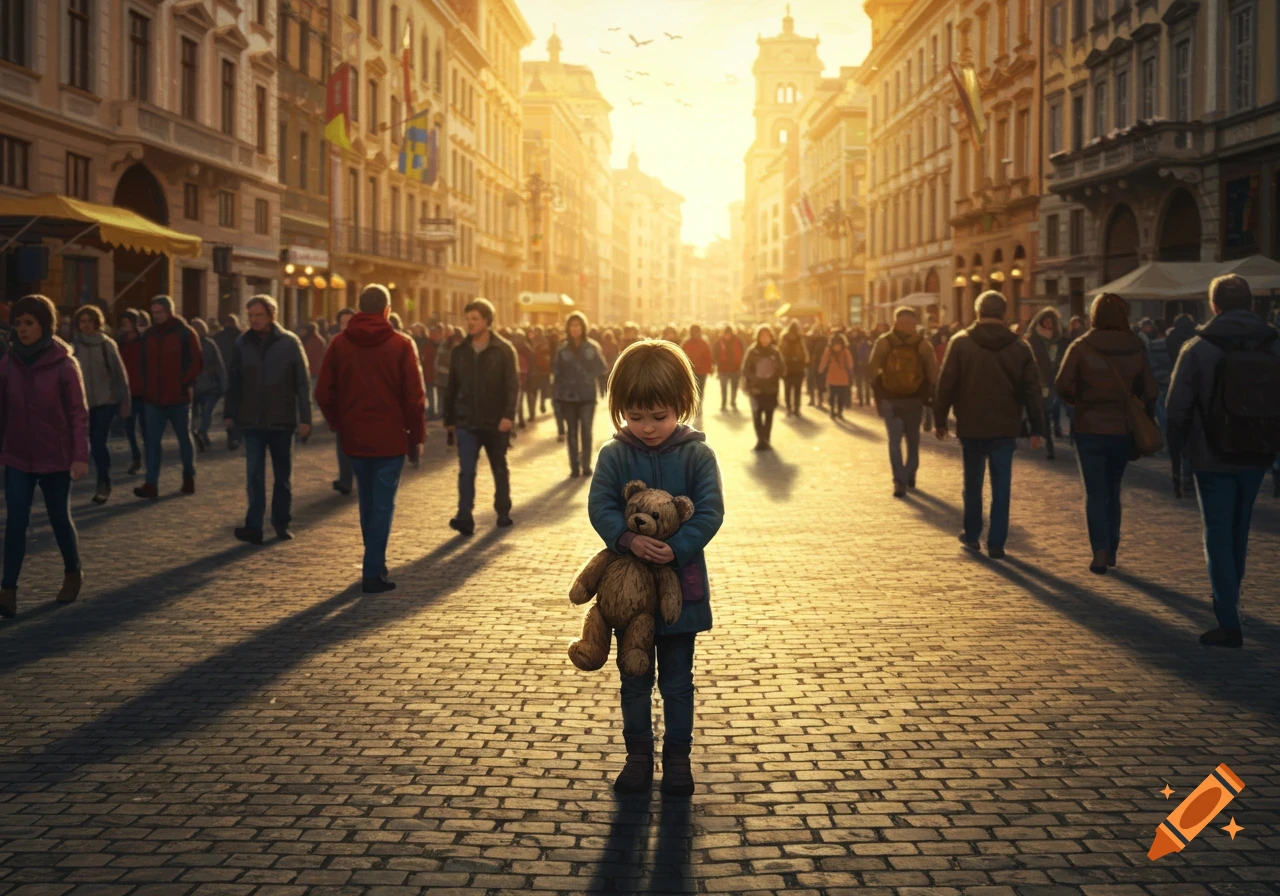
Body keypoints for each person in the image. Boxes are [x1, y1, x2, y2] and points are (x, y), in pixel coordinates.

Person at [587, 338, 724, 796]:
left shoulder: (698, 455)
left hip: (680, 591)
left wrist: (679, 547)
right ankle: (638, 756)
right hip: (630, 597)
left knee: (679, 680)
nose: (647, 427)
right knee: (634, 677)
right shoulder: (613, 454)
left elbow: (710, 512)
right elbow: (600, 506)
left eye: (659, 416)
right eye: (636, 416)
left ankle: (679, 759)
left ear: (682, 405)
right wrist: (625, 538)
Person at [1166, 274, 1280, 648]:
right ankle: (1231, 600)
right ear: (1251, 304)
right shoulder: (1274, 343)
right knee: (1238, 530)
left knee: (1217, 534)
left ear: (1214, 305)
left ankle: (1228, 619)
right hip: (1257, 452)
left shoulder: (1198, 347)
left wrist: (1177, 455)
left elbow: (1176, 407)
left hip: (1211, 454)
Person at [316, 286, 426, 593]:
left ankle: (374, 561)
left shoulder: (339, 344)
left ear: (359, 309)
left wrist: (339, 423)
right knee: (382, 506)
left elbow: (323, 392)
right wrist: (416, 438)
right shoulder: (401, 344)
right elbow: (414, 399)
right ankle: (372, 570)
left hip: (354, 437)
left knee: (367, 503)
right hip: (390, 439)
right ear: (387, 310)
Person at [934, 291, 1044, 558]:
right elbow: (1032, 390)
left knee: (972, 483)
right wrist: (1037, 428)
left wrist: (940, 420)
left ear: (977, 312)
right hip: (1005, 426)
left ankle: (972, 535)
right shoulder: (1020, 347)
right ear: (1004, 314)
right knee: (1001, 485)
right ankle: (997, 542)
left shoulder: (961, 342)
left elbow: (946, 383)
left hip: (971, 425)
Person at [1055, 294, 1158, 574]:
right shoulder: (1136, 346)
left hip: (1089, 427)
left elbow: (1062, 384)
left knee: (1095, 491)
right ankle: (1112, 547)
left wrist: (1082, 401)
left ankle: (1100, 550)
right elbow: (1150, 390)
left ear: (1094, 315)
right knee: (1113, 488)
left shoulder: (1081, 345)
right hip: (1123, 428)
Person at [0, 295, 89, 617]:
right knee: (16, 522)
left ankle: (73, 570)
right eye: (18, 323)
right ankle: (8, 590)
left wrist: (80, 456)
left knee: (58, 518)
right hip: (17, 456)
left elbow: (78, 413)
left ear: (44, 325)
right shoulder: (8, 362)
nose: (22, 329)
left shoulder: (65, 364)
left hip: (55, 455)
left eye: (29, 323)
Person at [224, 295, 313, 544]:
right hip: (251, 420)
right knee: (254, 476)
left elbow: (302, 384)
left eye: (258, 315)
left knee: (282, 478)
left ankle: (281, 523)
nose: (253, 320)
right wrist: (230, 414)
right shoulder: (242, 343)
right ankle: (254, 526)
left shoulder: (289, 343)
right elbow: (234, 381)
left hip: (282, 420)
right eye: (250, 316)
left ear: (272, 315)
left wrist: (305, 418)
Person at [444, 298, 519, 535]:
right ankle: (464, 516)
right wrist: (449, 420)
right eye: (467, 319)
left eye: (475, 319)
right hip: (467, 420)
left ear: (487, 321)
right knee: (466, 470)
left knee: (499, 468)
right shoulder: (460, 351)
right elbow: (451, 386)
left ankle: (503, 511)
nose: (470, 323)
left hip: (496, 422)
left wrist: (508, 416)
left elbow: (512, 386)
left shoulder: (504, 349)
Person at [134, 296, 203, 499]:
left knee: (184, 440)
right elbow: (142, 364)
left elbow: (197, 362)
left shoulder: (185, 333)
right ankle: (151, 483)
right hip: (153, 399)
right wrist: (145, 388)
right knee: (152, 443)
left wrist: (184, 382)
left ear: (169, 311)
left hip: (179, 397)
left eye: (160, 312)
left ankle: (189, 477)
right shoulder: (149, 335)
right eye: (154, 312)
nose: (156, 316)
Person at [868, 307, 940, 497]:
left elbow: (871, 368)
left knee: (894, 442)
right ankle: (910, 473)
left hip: (890, 399)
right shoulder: (923, 344)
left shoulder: (884, 342)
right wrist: (931, 394)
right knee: (913, 440)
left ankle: (899, 481)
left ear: (895, 322)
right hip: (914, 400)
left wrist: (879, 390)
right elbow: (934, 374)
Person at [71, 305, 131, 504]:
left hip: (106, 401)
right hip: (82, 403)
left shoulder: (107, 344)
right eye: (82, 321)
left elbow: (120, 374)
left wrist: (125, 401)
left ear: (97, 322)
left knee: (98, 443)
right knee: (79, 444)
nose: (86, 325)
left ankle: (103, 483)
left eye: (89, 321)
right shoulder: (74, 346)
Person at [554, 311, 606, 478]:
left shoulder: (592, 347)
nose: (575, 328)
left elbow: (602, 367)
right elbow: (556, 372)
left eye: (578, 325)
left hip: (587, 396)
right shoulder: (562, 349)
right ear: (568, 328)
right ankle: (574, 466)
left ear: (583, 328)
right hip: (567, 397)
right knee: (571, 432)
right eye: (572, 325)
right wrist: (557, 396)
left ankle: (586, 464)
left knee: (586, 430)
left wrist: (588, 375)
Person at [1028, 308, 1068, 460]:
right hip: (1040, 382)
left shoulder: (1060, 339)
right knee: (1045, 413)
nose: (1049, 323)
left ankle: (1058, 432)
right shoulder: (1032, 339)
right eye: (1046, 320)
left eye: (1051, 321)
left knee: (1058, 411)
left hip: (1057, 381)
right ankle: (1049, 445)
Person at [188, 318, 227, 453]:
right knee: (205, 413)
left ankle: (198, 433)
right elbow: (219, 365)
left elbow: (218, 365)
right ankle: (201, 432)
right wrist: (223, 385)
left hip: (198, 385)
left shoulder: (206, 344)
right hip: (205, 385)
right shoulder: (207, 344)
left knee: (197, 413)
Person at [742, 324, 783, 451]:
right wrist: (755, 378)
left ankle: (766, 438)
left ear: (771, 337)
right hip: (756, 389)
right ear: (758, 337)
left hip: (771, 389)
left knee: (769, 414)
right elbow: (745, 369)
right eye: (762, 336)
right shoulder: (752, 351)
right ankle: (760, 439)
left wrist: (773, 374)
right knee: (757, 414)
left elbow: (782, 368)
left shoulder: (775, 352)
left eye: (767, 336)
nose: (765, 338)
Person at [116, 309, 148, 476]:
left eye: (128, 322)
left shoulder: (145, 342)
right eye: (123, 322)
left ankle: (150, 459)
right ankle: (136, 458)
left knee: (145, 427)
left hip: (144, 391)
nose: (125, 325)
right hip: (127, 392)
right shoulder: (119, 343)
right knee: (129, 428)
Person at [330, 307, 356, 495]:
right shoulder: (336, 344)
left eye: (349, 321)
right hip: (343, 402)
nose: (346, 326)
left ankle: (359, 479)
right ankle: (345, 480)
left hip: (362, 402)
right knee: (342, 444)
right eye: (342, 322)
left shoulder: (364, 342)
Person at [213, 314, 244, 450]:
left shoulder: (218, 338)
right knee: (238, 407)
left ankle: (232, 436)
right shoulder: (242, 337)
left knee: (230, 407)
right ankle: (236, 436)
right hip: (239, 374)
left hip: (225, 374)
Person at [818, 332, 855, 420]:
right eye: (835, 345)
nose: (837, 347)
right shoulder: (828, 351)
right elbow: (824, 360)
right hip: (832, 377)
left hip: (842, 378)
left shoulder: (845, 352)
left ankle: (839, 412)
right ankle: (832, 411)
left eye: (838, 345)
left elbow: (850, 362)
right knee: (832, 396)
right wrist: (821, 369)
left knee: (841, 396)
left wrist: (850, 368)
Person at [681, 324, 714, 417]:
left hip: (702, 371)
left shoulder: (704, 343)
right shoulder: (686, 343)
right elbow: (683, 356)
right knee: (690, 390)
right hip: (690, 370)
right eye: (694, 332)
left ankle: (698, 407)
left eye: (697, 331)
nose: (695, 333)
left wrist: (710, 367)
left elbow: (708, 356)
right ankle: (692, 407)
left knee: (700, 390)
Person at [778, 321, 808, 417]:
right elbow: (805, 354)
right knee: (797, 390)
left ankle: (789, 409)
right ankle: (796, 409)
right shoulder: (800, 339)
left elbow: (780, 353)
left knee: (787, 389)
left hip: (788, 368)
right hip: (798, 368)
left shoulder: (784, 338)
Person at [712, 325, 744, 412]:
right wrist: (716, 362)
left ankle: (733, 402)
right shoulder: (719, 342)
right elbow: (715, 353)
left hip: (735, 368)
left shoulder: (738, 341)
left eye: (729, 334)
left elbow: (743, 351)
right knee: (723, 387)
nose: (728, 336)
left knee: (734, 386)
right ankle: (723, 403)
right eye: (726, 334)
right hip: (723, 369)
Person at [805, 324, 828, 409]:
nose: (815, 333)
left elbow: (824, 351)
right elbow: (807, 350)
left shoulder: (823, 340)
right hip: (811, 364)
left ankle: (820, 401)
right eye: (814, 331)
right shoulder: (809, 339)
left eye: (817, 331)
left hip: (820, 363)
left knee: (820, 382)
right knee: (811, 381)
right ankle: (812, 399)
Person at [852, 329, 872, 407]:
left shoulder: (858, 344)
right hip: (866, 365)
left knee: (860, 383)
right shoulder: (868, 343)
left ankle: (861, 401)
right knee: (866, 383)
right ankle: (867, 401)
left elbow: (857, 355)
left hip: (859, 366)